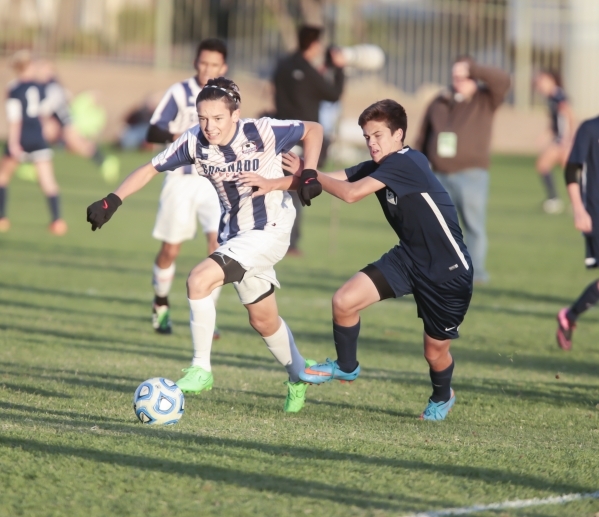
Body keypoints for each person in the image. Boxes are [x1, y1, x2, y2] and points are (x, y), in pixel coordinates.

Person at [86, 77, 324, 413]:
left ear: (235, 114)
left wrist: (310, 173)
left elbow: (313, 129)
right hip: (236, 235)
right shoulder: (194, 142)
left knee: (198, 280)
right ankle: (298, 372)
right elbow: (150, 168)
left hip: (271, 229)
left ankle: (201, 368)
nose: (209, 127)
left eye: (217, 119)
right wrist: (113, 200)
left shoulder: (263, 131)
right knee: (263, 320)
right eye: (202, 118)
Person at [243, 99, 473, 421]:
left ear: (398, 134)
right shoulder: (378, 166)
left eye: (378, 135)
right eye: (367, 137)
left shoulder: (408, 162)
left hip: (446, 272)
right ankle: (346, 367)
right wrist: (273, 184)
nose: (372, 143)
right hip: (408, 258)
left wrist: (310, 174)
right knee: (344, 301)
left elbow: (349, 194)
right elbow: (326, 178)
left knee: (435, 353)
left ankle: (442, 394)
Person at [145, 39, 227, 336]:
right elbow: (153, 129)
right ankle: (161, 301)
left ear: (223, 67)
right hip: (181, 179)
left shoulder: (228, 96)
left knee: (218, 246)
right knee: (171, 249)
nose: (208, 69)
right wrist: (182, 133)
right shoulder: (180, 92)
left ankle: (208, 316)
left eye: (214, 65)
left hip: (215, 182)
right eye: (203, 63)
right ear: (196, 62)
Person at [415, 57, 510, 284]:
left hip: (471, 174)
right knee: (437, 227)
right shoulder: (440, 100)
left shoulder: (485, 99)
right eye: (454, 76)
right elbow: (422, 135)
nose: (458, 81)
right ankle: (442, 271)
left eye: (463, 77)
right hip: (438, 175)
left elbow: (503, 80)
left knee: (473, 226)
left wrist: (473, 68)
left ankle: (475, 274)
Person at [272, 25, 345, 256]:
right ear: (313, 45)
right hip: (302, 139)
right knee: (295, 188)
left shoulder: (283, 65)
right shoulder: (307, 71)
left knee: (276, 188)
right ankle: (290, 243)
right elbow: (333, 94)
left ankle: (275, 236)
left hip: (278, 135)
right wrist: (340, 69)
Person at [0, 50, 67, 235]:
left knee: (3, 178)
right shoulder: (40, 87)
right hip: (38, 137)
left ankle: (2, 218)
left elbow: (15, 119)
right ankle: (57, 221)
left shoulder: (14, 89)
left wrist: (13, 143)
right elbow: (45, 112)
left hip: (21, 137)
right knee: (48, 182)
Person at [36, 59, 120, 184]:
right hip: (60, 120)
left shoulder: (51, 85)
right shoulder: (48, 85)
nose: (40, 71)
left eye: (45, 69)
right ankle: (33, 164)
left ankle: (105, 162)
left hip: (64, 120)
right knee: (45, 135)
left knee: (77, 144)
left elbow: (52, 105)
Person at [556, 114, 599, 350]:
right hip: (595, 211)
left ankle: (569, 316)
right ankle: (569, 316)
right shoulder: (591, 128)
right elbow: (572, 169)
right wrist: (579, 210)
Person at [533, 70, 576, 214]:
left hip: (563, 141)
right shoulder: (551, 98)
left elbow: (569, 116)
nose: (539, 84)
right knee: (568, 172)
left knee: (545, 165)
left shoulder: (559, 96)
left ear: (551, 80)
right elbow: (554, 123)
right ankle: (563, 200)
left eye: (542, 80)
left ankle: (556, 200)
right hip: (559, 139)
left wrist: (569, 139)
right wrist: (544, 136)